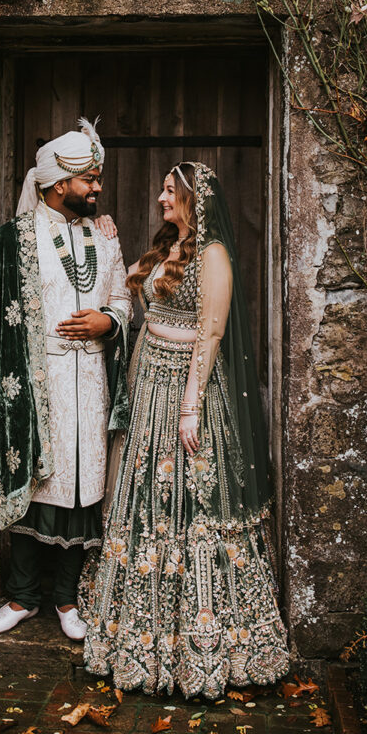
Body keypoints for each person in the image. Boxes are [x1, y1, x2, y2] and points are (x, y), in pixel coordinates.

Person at [81, 161, 288, 697]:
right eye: (162, 188)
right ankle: (136, 636)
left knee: (192, 501)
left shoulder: (213, 254)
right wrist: (103, 234)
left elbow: (213, 331)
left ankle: (201, 642)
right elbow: (128, 289)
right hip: (149, 382)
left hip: (187, 390)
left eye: (169, 191)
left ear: (194, 199)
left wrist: (191, 404)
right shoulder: (166, 248)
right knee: (146, 499)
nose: (159, 197)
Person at [0, 118, 131, 641]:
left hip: (91, 382)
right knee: (37, 484)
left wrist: (110, 319)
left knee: (83, 489)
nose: (98, 187)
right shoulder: (13, 241)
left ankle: (67, 601)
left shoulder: (105, 238)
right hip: (37, 382)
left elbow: (124, 297)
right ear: (60, 185)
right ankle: (21, 598)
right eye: (90, 179)